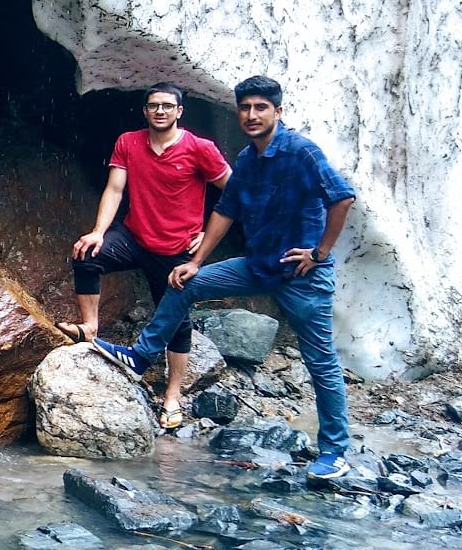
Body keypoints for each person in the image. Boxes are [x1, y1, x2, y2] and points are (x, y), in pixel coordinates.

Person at [94, 75, 358, 480]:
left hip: (302, 276)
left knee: (320, 361)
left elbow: (341, 197)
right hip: (257, 265)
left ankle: (335, 452)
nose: (251, 115)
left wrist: (319, 252)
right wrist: (197, 260)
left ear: (278, 111)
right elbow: (225, 211)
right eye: (245, 108)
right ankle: (142, 356)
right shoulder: (249, 159)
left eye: (261, 108)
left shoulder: (300, 151)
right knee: (188, 283)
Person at [60, 82, 230, 430]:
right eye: (154, 106)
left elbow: (234, 192)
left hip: (175, 251)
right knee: (86, 255)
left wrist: (206, 235)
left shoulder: (200, 148)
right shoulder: (129, 141)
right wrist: (98, 231)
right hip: (134, 236)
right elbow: (115, 188)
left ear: (180, 111)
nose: (160, 111)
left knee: (177, 324)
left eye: (168, 106)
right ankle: (90, 328)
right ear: (145, 110)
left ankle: (172, 396)